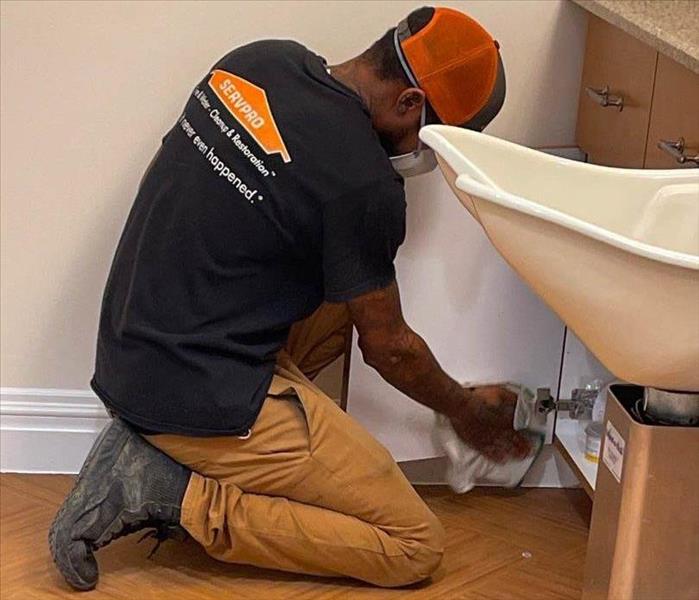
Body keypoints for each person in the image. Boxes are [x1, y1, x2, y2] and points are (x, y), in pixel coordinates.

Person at [49, 5, 530, 591]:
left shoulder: (261, 60)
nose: (427, 152)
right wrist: (465, 410)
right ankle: (169, 490)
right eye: (435, 135)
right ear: (408, 103)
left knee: (344, 302)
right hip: (195, 391)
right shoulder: (364, 186)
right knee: (414, 547)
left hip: (135, 344)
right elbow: (392, 349)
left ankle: (181, 440)